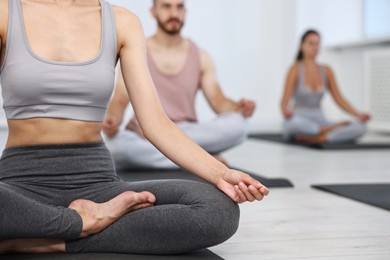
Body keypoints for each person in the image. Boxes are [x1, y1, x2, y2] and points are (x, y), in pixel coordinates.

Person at [0, 0, 269, 255]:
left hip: (97, 185)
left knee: (218, 209)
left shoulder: (121, 21)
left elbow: (155, 124)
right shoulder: (6, 12)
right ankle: (81, 223)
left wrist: (221, 173)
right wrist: (78, 220)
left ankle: (43, 241)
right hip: (19, 184)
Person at [103, 0, 256, 169]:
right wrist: (111, 121)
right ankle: (200, 159)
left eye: (179, 7)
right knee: (116, 146)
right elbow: (118, 101)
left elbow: (218, 100)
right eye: (167, 6)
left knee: (240, 124)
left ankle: (181, 155)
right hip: (149, 131)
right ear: (153, 11)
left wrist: (238, 107)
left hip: (185, 131)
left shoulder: (201, 56)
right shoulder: (137, 52)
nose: (174, 13)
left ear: (185, 11)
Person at [280, 30, 370, 144]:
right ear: (301, 46)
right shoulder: (295, 69)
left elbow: (339, 99)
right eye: (310, 43)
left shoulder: (326, 70)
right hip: (300, 119)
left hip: (320, 119)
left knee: (361, 127)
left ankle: (321, 137)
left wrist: (358, 114)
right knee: (291, 124)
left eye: (317, 43)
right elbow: (284, 101)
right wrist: (285, 111)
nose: (315, 47)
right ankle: (326, 131)